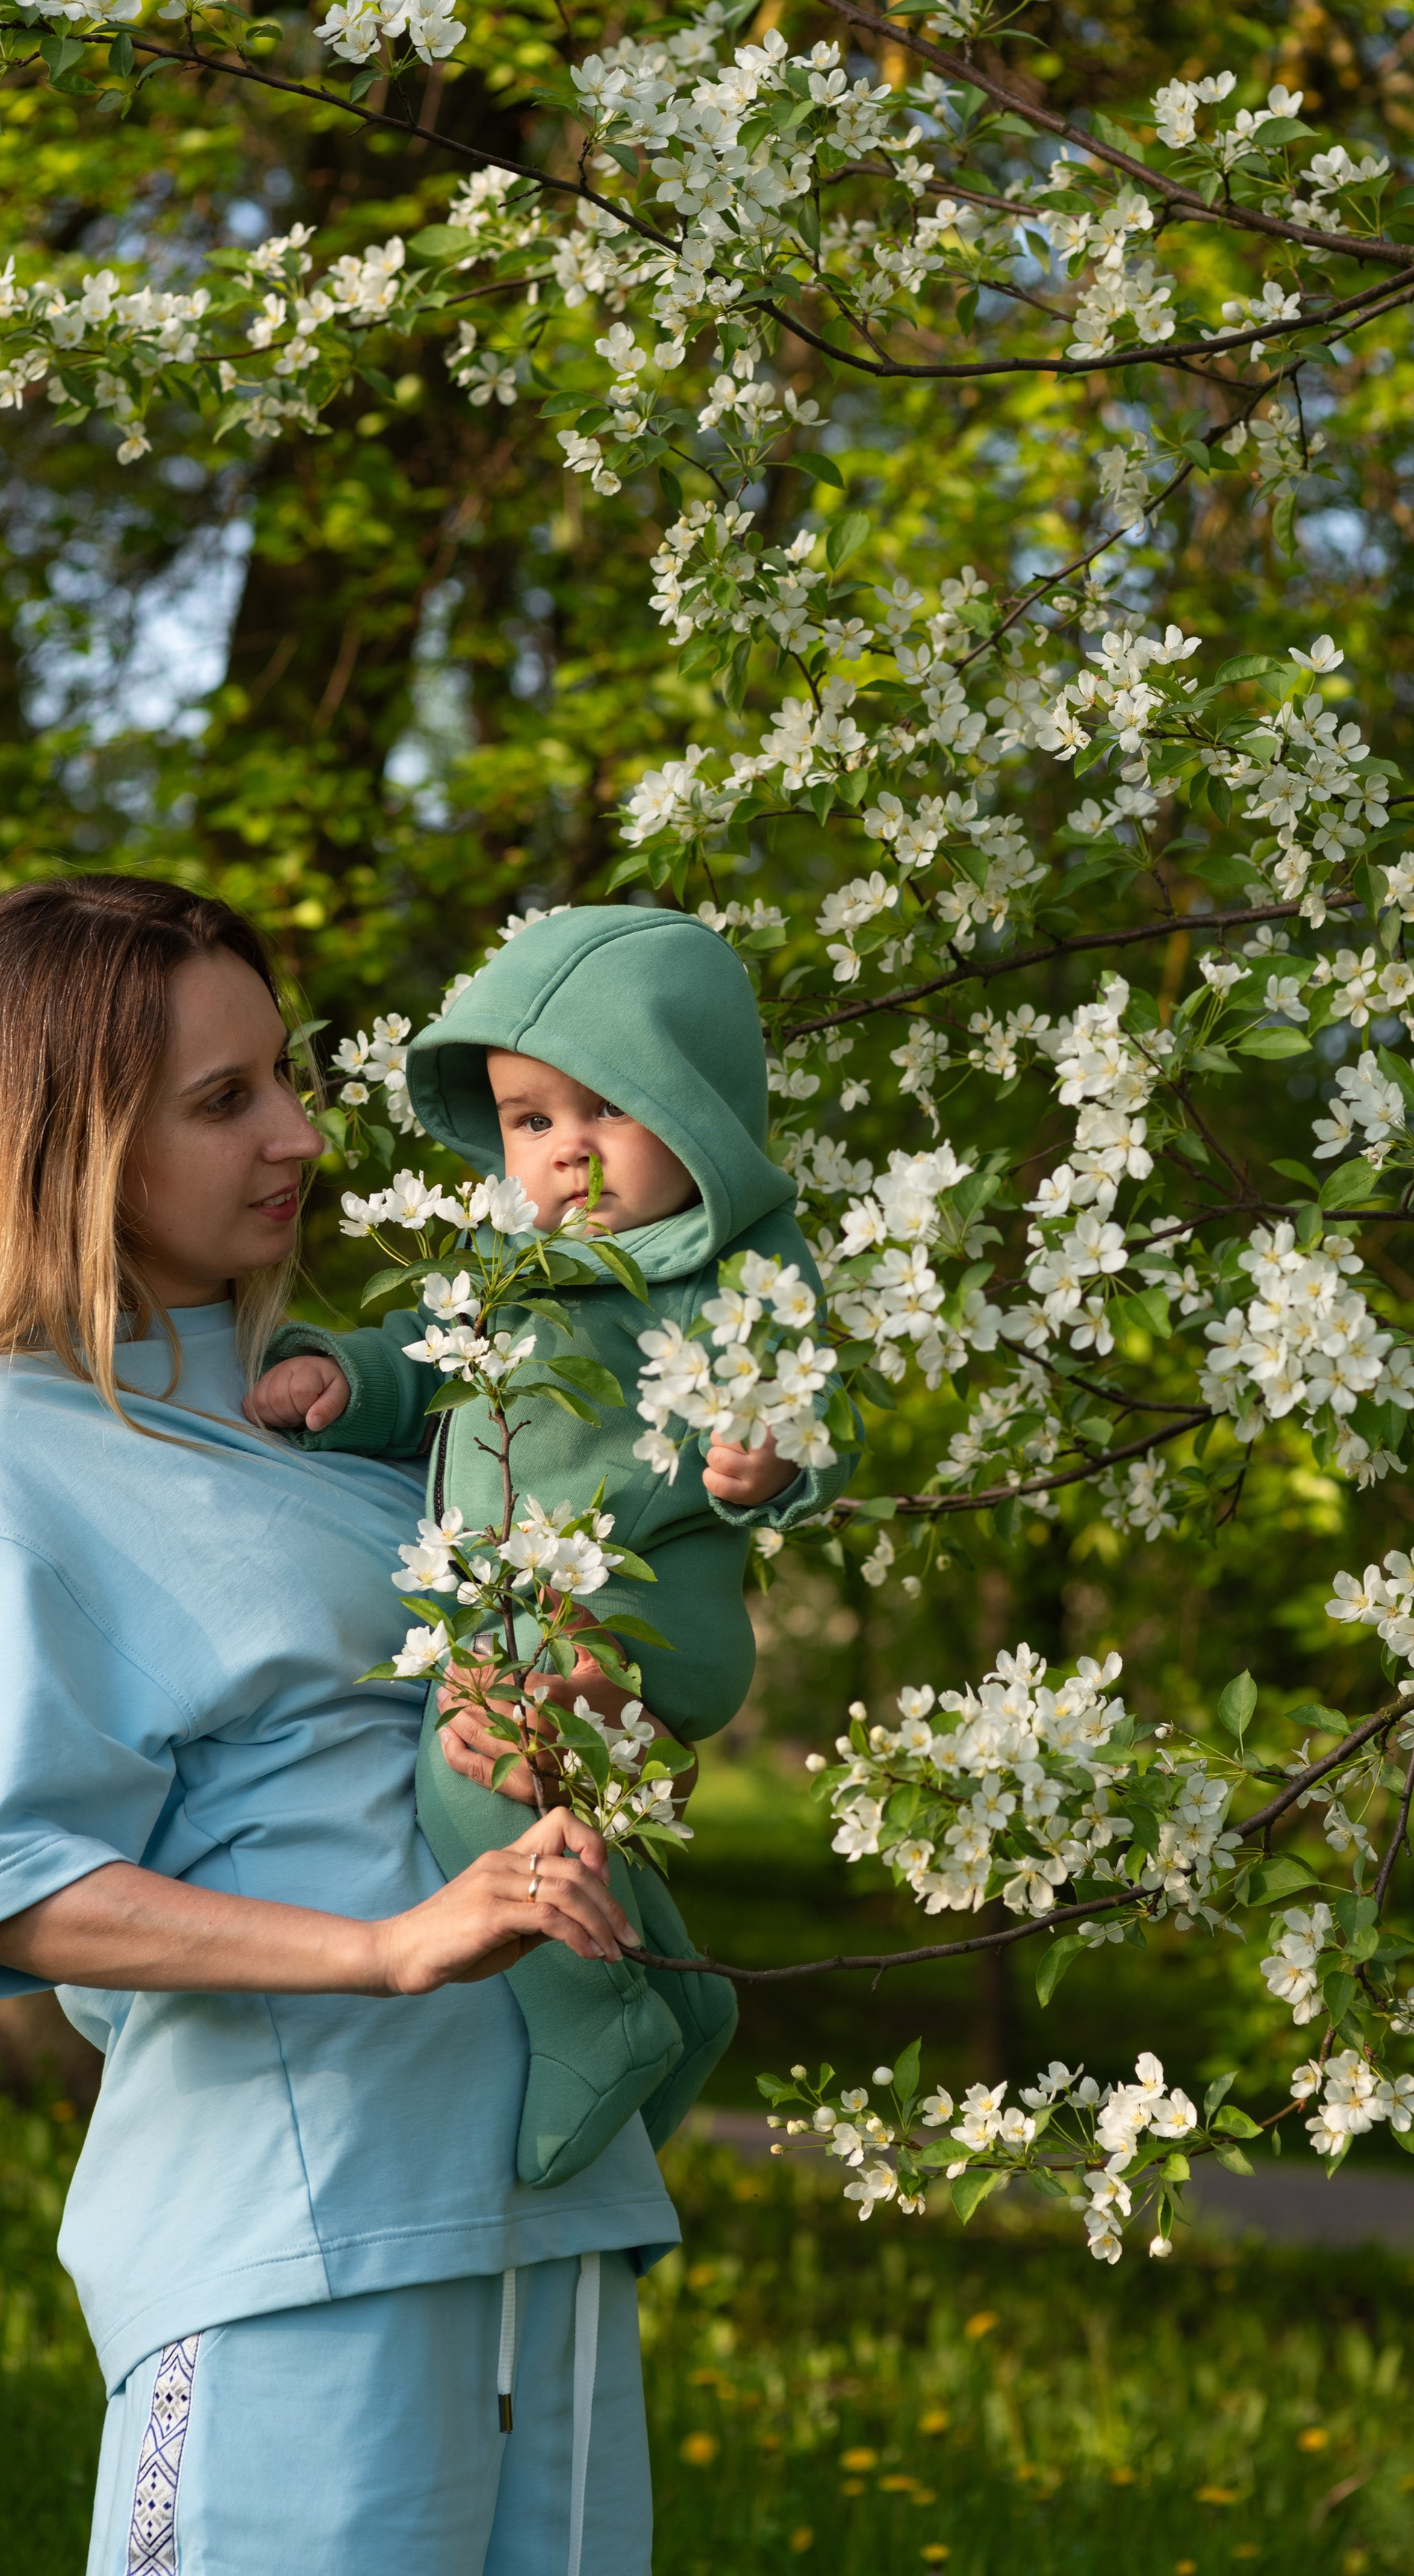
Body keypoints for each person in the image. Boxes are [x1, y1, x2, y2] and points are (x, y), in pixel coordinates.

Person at [0, 875, 682, 2576]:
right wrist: (392, 1947)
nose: (293, 1135)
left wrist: (574, 1721)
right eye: (222, 1102)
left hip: (545, 2216)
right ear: (67, 1148)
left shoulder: (352, 1428)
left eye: (283, 1079)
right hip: (295, 2247)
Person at [246, 906, 848, 2189]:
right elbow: (438, 1349)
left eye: (608, 1111)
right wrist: (346, 1380)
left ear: (697, 1110)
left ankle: (597, 2020)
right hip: (525, 1601)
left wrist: (777, 1460)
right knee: (561, 1805)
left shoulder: (734, 1264)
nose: (568, 1153)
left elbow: (817, 1403)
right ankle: (676, 2004)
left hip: (642, 1617)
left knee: (471, 1774)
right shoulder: (513, 1256)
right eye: (531, 1120)